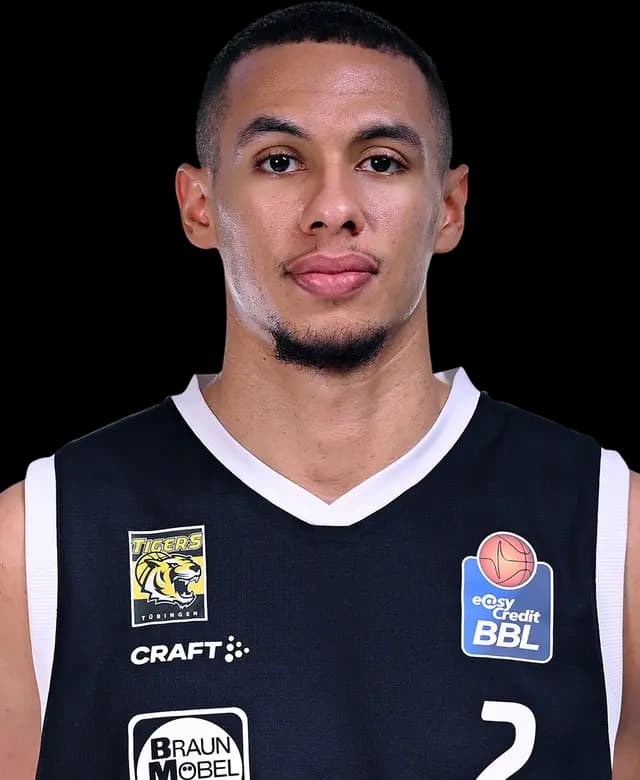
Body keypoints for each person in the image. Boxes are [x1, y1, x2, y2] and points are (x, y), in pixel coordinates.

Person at [1, 2, 637, 778]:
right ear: (199, 206)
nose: (333, 210)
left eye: (382, 162)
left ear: (449, 208)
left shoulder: (611, 530)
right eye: (279, 161)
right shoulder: (38, 542)